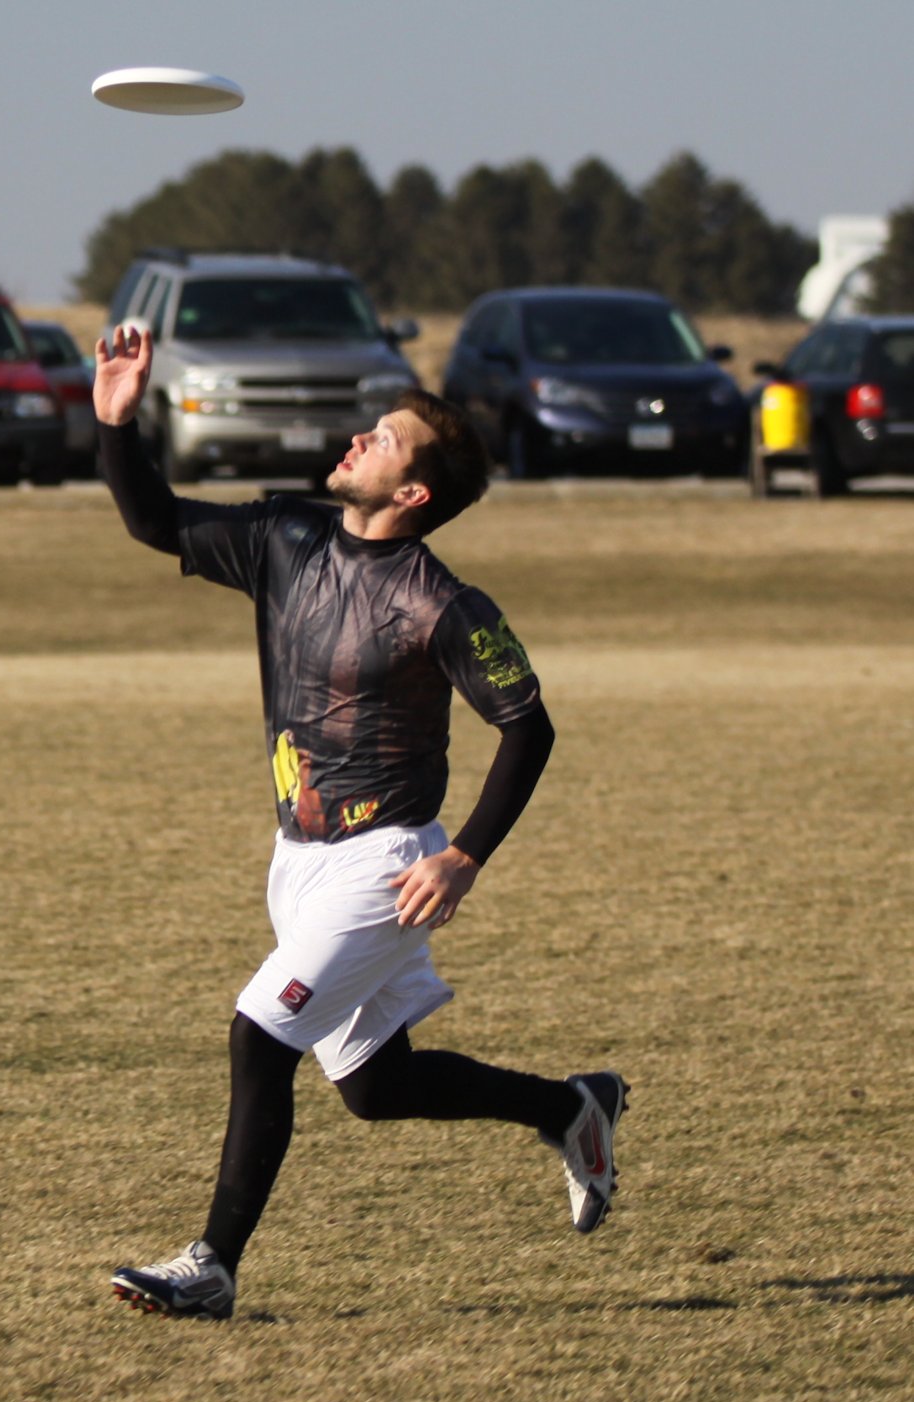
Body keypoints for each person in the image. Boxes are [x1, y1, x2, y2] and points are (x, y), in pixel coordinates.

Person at [95, 326, 628, 1322]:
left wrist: (464, 855)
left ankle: (212, 1266)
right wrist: (117, 422)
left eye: (380, 438)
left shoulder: (446, 604)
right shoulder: (283, 539)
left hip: (386, 864)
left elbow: (529, 727)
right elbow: (155, 520)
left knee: (260, 1034)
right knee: (377, 1087)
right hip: (297, 860)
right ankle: (569, 1106)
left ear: (412, 491)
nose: (357, 439)